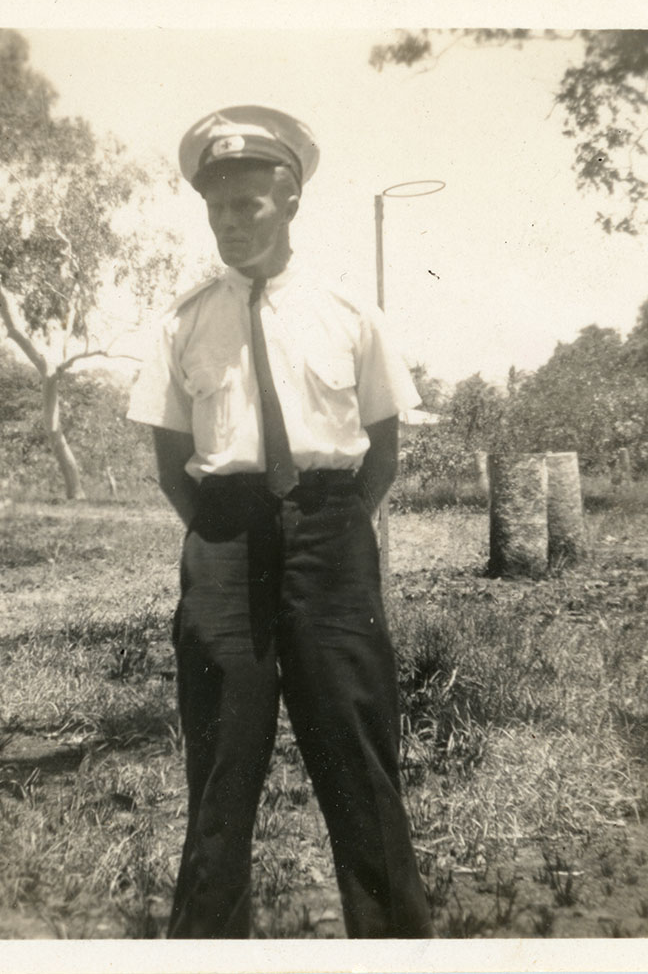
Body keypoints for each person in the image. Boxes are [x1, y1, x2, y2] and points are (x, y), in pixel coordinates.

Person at [127, 105, 434, 939]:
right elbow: (170, 464)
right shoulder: (182, 322)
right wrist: (234, 527)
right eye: (216, 206)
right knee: (221, 771)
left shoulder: (349, 315)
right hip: (225, 544)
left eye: (248, 204)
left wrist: (327, 525)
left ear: (289, 200)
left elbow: (382, 450)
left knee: (361, 768)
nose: (230, 221)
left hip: (332, 542)